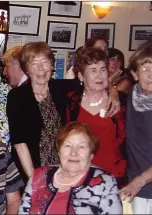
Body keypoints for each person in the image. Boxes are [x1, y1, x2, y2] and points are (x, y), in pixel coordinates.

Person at [7, 42, 120, 180]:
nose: (41, 69)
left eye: (45, 62)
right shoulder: (17, 96)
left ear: (52, 65)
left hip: (64, 170)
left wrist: (114, 92)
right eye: (34, 63)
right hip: (31, 170)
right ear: (26, 69)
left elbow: (91, 82)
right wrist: (34, 180)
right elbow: (20, 144)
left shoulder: (61, 88)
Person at [18, 122, 122, 214]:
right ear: (58, 150)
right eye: (68, 146)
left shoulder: (105, 182)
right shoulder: (38, 176)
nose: (73, 153)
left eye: (81, 147)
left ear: (91, 154)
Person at [66, 47, 127, 185]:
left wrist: (113, 90)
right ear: (81, 76)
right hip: (79, 180)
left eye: (103, 69)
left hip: (114, 180)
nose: (99, 75)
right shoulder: (70, 102)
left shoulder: (122, 102)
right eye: (93, 70)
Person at [120, 41, 152, 213]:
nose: (151, 75)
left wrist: (140, 180)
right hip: (135, 185)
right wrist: (111, 91)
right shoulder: (132, 95)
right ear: (134, 74)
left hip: (141, 181)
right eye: (145, 69)